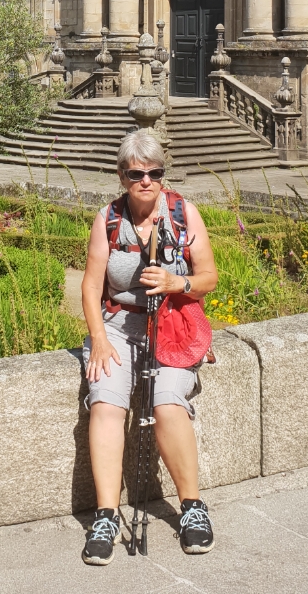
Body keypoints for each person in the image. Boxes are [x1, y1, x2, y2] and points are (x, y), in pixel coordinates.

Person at [80, 130, 218, 565]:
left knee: (168, 403)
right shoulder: (107, 219)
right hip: (119, 326)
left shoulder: (182, 213)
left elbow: (210, 278)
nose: (147, 180)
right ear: (122, 176)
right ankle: (105, 515)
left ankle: (193, 508)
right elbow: (89, 285)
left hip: (172, 324)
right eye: (137, 173)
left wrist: (180, 282)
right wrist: (99, 339)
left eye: (155, 172)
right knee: (105, 401)